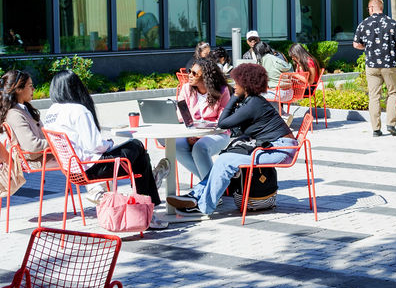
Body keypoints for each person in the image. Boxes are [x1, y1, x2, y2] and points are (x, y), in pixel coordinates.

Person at [41, 71, 168, 230]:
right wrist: (109, 143)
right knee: (137, 147)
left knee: (138, 159)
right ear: (76, 87)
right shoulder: (78, 110)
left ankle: (147, 201)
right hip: (93, 167)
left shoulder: (52, 111)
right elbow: (95, 145)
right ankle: (148, 208)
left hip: (72, 169)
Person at [166, 63, 296, 217]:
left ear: (246, 85)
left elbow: (223, 122)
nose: (234, 85)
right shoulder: (252, 101)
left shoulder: (253, 103)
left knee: (226, 161)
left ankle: (203, 206)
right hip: (273, 146)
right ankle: (196, 195)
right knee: (225, 159)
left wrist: (234, 97)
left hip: (281, 149)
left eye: (237, 82)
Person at [353, 0, 396, 137]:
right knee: (393, 93)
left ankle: (376, 129)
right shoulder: (392, 24)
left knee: (374, 96)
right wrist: (391, 47)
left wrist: (368, 47)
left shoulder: (364, 24)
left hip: (372, 65)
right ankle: (391, 124)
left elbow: (356, 44)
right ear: (381, 7)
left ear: (371, 8)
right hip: (390, 64)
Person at [175, 58, 232, 182]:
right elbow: (180, 115)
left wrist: (201, 135)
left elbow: (222, 120)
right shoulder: (186, 89)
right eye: (190, 71)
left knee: (200, 147)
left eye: (194, 73)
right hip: (191, 132)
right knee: (176, 145)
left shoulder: (222, 91)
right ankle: (212, 185)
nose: (189, 75)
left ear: (206, 77)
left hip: (218, 133)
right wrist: (191, 134)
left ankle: (210, 189)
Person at [0, 70, 49, 195]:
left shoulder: (25, 109)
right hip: (36, 159)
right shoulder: (14, 114)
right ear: (18, 89)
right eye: (30, 85)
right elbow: (31, 146)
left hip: (43, 155)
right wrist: (56, 142)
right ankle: (96, 191)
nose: (33, 89)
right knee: (77, 158)